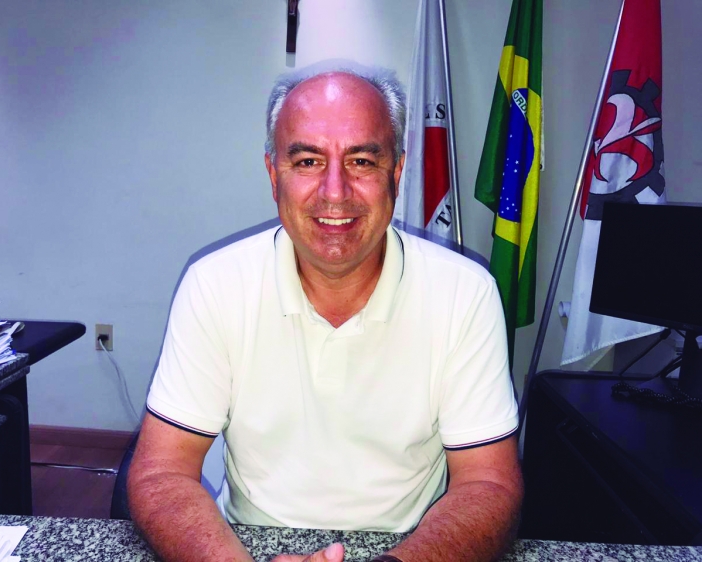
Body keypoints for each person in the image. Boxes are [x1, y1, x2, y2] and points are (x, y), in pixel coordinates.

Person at [128, 62, 523, 562]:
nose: (335, 192)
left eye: (361, 161)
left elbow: (489, 484)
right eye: (308, 161)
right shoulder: (214, 285)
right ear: (274, 174)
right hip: (246, 545)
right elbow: (162, 472)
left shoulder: (465, 293)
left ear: (396, 173)